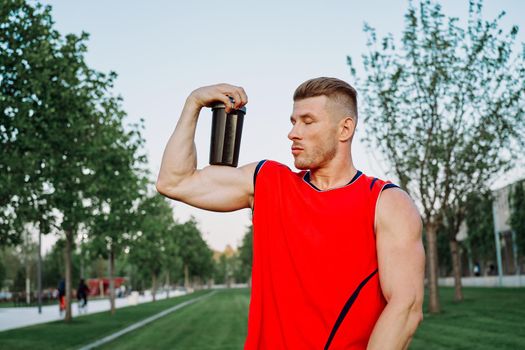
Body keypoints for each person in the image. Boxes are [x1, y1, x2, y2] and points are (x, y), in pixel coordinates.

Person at [156, 77, 425, 349]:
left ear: (344, 129)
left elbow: (406, 307)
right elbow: (174, 181)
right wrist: (194, 103)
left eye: (307, 122)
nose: (293, 133)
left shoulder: (386, 203)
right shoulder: (268, 182)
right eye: (293, 122)